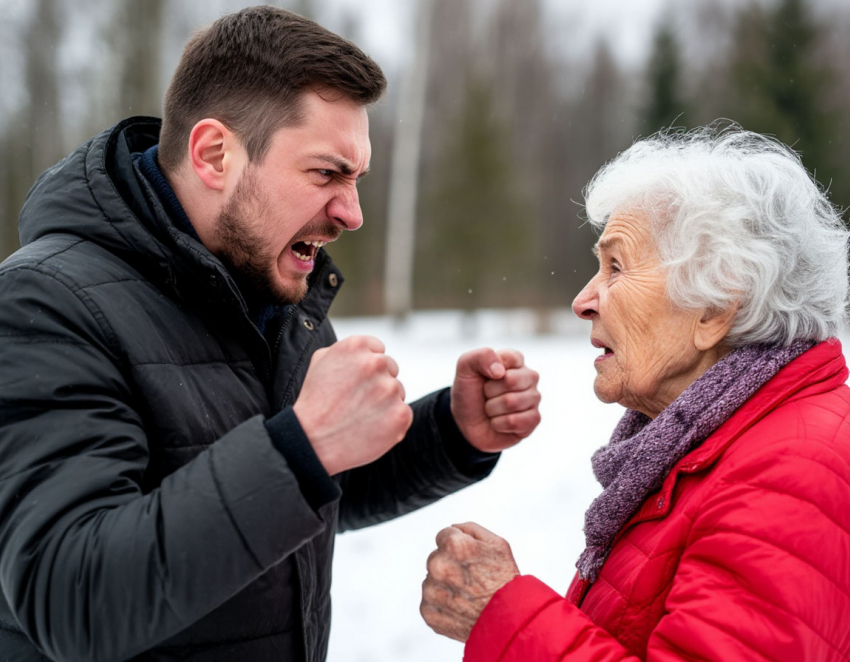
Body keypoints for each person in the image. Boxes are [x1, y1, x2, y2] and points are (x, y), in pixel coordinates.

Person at [0, 7, 542, 662]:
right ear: (213, 154)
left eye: (357, 179)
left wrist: (449, 433)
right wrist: (302, 446)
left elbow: (305, 490)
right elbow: (72, 596)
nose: (352, 212)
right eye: (326, 173)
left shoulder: (270, 284)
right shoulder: (44, 303)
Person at [420, 126, 850, 661]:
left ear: (716, 307)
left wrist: (504, 618)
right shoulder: (709, 442)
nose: (582, 301)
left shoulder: (789, 474)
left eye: (616, 266)